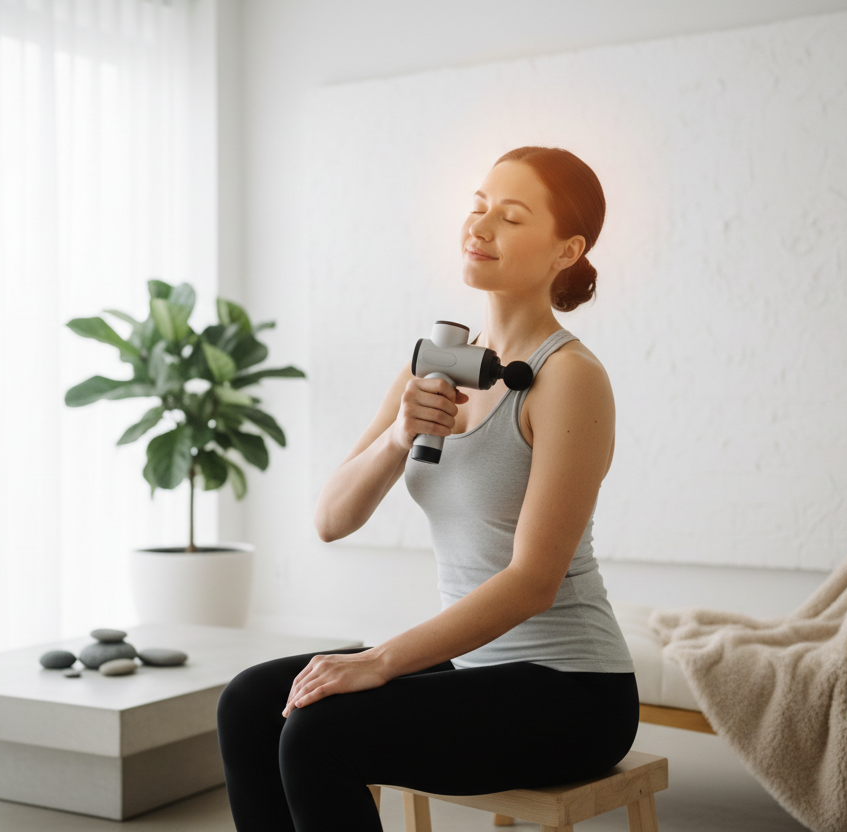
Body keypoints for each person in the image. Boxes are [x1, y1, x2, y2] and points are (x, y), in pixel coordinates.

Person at [215, 146, 638, 832]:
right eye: (477, 206)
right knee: (251, 703)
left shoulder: (569, 378)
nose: (481, 225)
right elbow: (330, 519)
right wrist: (395, 436)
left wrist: (379, 663)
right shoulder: (438, 363)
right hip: (477, 669)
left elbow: (534, 581)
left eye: (510, 215)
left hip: (573, 690)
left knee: (320, 735)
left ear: (567, 250)